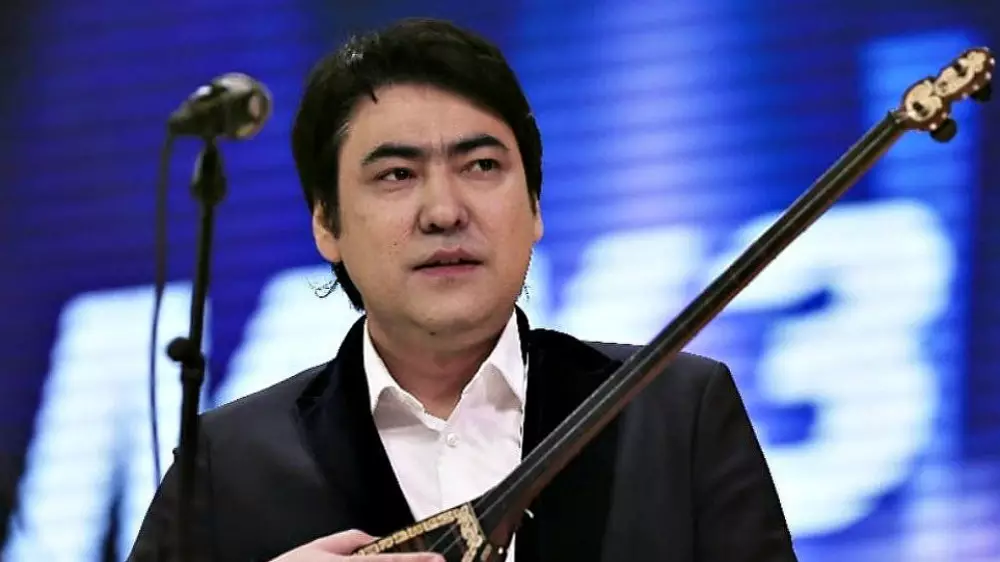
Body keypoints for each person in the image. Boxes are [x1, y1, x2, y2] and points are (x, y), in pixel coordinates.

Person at [126, 17, 798, 562]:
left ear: (534, 206)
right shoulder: (226, 464)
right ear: (326, 223)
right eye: (396, 175)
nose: (445, 211)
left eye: (480, 165)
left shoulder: (675, 411)